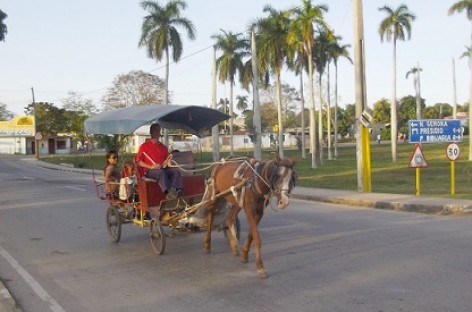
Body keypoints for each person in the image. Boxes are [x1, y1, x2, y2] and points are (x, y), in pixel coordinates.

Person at [135, 123, 183, 200]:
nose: (156, 132)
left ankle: (174, 190)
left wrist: (167, 161)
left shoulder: (163, 147)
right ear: (150, 132)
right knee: (161, 173)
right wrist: (151, 166)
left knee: (176, 172)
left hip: (162, 169)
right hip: (149, 171)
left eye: (158, 130)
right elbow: (138, 162)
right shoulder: (144, 146)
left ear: (160, 132)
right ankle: (167, 193)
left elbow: (166, 162)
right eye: (154, 130)